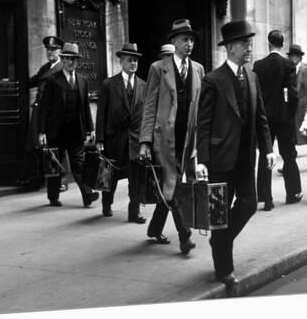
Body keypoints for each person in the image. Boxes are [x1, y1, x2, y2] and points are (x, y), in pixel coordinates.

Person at [197, 20, 275, 285]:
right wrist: (202, 160)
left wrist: (268, 149)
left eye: (250, 43)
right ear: (231, 48)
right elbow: (203, 123)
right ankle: (224, 268)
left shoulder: (252, 76)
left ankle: (221, 240)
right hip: (219, 160)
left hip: (245, 159)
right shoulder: (213, 80)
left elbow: (261, 116)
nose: (249, 47)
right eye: (245, 43)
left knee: (249, 205)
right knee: (219, 215)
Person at [139, 19, 205, 255]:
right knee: (174, 184)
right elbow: (149, 106)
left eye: (192, 39)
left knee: (172, 184)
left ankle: (155, 228)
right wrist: (145, 141)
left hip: (188, 139)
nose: (190, 44)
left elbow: (200, 107)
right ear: (174, 41)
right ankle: (184, 235)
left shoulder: (198, 69)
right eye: (185, 39)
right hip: (164, 139)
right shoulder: (158, 68)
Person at [38, 42, 99, 207]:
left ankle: (88, 195)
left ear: (77, 61)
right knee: (55, 165)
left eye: (74, 59)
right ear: (62, 60)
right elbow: (43, 107)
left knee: (79, 164)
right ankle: (53, 196)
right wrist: (42, 132)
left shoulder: (82, 80)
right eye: (67, 59)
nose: (71, 62)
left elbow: (85, 107)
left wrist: (90, 128)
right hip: (56, 131)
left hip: (75, 131)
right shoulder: (52, 80)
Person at [95, 43, 146, 223]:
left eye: (135, 61)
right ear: (121, 61)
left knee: (136, 177)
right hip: (113, 138)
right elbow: (101, 113)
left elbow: (146, 115)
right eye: (129, 60)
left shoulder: (143, 85)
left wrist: (146, 140)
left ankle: (134, 211)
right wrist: (100, 139)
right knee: (110, 174)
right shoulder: (109, 84)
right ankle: (107, 203)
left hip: (135, 140)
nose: (133, 63)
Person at [253, 30, 302, 210]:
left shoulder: (258, 65)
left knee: (266, 154)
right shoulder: (288, 64)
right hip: (283, 116)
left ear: (268, 43)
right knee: (288, 154)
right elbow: (293, 93)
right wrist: (290, 113)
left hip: (265, 116)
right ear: (282, 44)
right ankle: (292, 193)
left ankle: (266, 198)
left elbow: (255, 92)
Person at [23, 36, 64, 191]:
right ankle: (38, 179)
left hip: (52, 114)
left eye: (53, 50)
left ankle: (60, 182)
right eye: (48, 50)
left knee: (54, 147)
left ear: (60, 51)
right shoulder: (44, 68)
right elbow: (32, 81)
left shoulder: (62, 69)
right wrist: (13, 80)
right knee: (36, 145)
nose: (50, 52)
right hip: (39, 111)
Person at [287, 44, 307, 166]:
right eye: (291, 56)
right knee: (290, 141)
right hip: (292, 111)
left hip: (306, 111)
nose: (293, 58)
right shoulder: (288, 71)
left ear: (300, 57)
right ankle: (288, 166)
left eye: (295, 56)